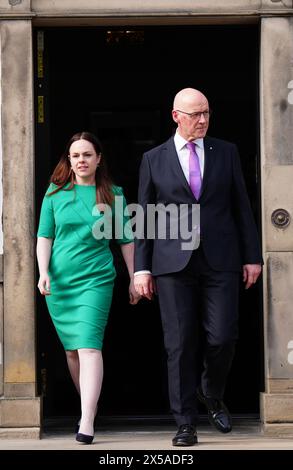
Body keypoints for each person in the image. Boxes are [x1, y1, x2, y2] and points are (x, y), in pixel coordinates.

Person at [134, 88, 262, 446]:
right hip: (172, 264)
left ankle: (211, 390)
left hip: (221, 258)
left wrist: (252, 256)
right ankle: (185, 422)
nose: (203, 120)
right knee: (179, 343)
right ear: (176, 116)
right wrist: (141, 269)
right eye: (195, 114)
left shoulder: (227, 151)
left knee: (223, 336)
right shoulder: (153, 159)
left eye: (206, 112)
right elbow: (145, 218)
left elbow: (242, 206)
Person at [37, 131, 140, 445]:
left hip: (96, 279)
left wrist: (135, 277)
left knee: (90, 346)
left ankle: (87, 420)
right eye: (76, 155)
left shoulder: (113, 194)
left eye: (87, 155)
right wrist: (43, 273)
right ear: (69, 161)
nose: (81, 160)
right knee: (72, 351)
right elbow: (45, 237)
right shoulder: (55, 194)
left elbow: (125, 239)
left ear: (98, 159)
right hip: (60, 282)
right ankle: (89, 407)